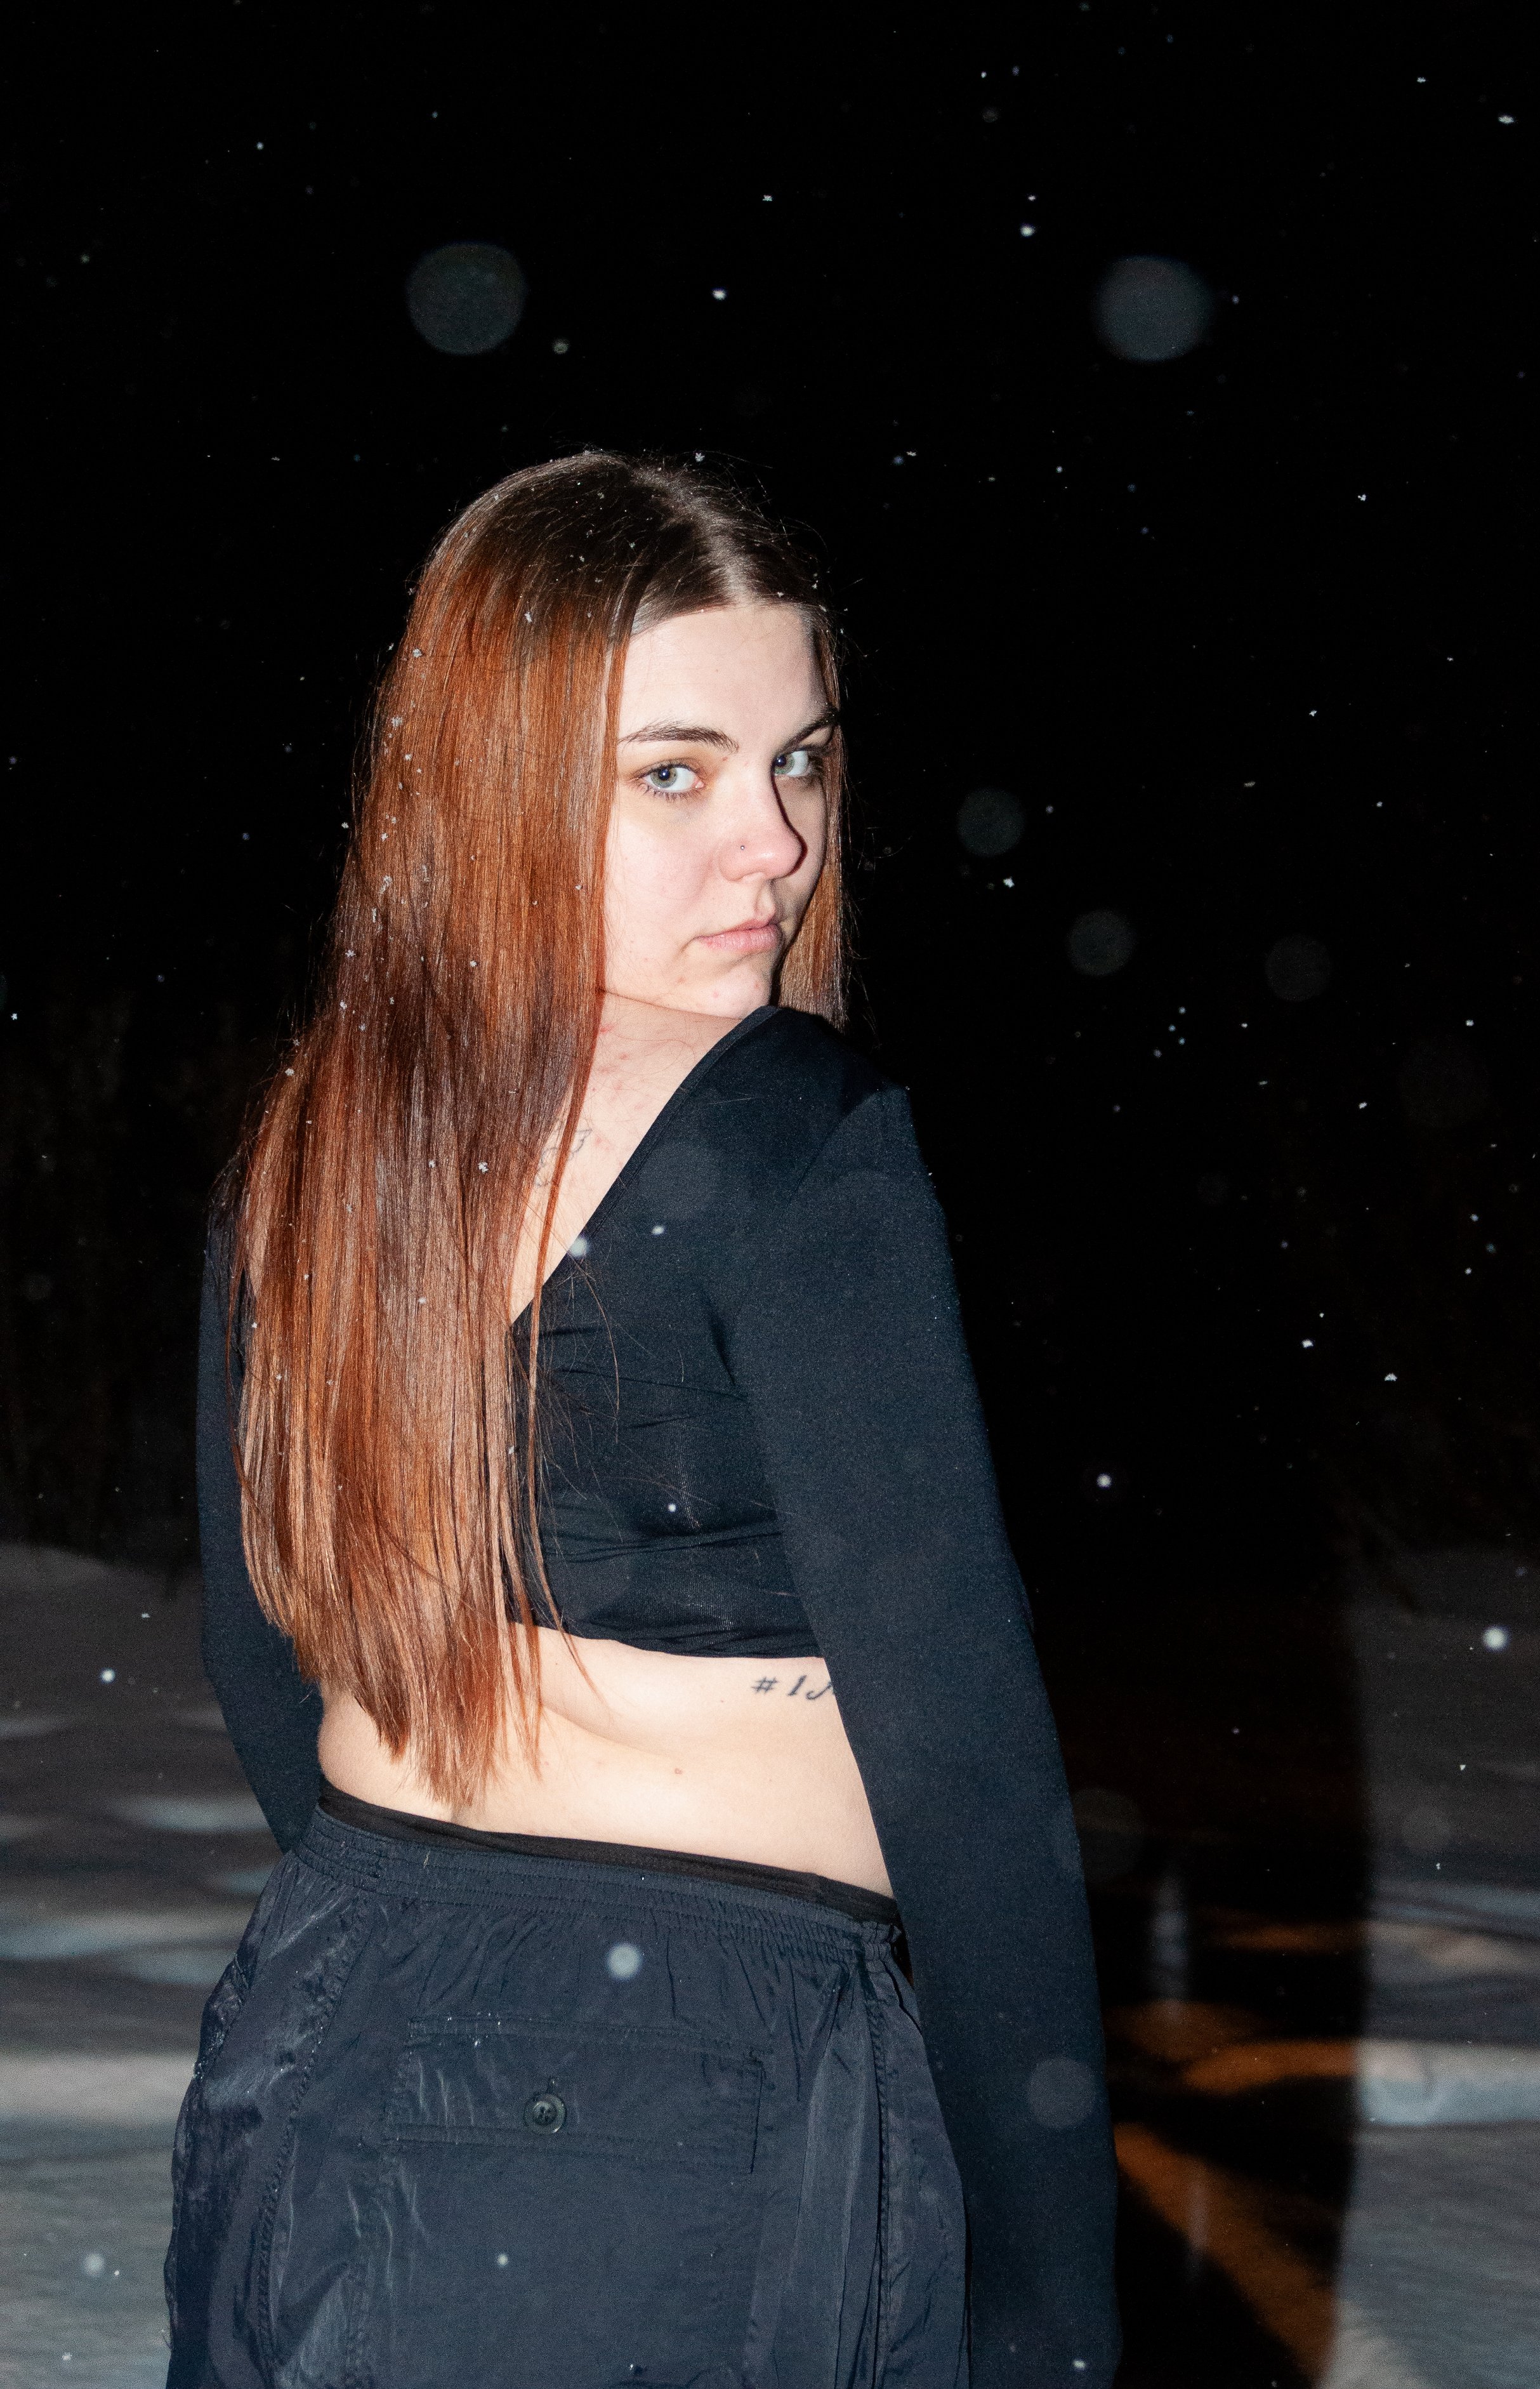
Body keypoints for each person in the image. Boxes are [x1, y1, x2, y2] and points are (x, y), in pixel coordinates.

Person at [171, 453, 1119, 2388]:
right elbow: (966, 1765)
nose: (771, 844)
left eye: (802, 760)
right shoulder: (790, 1134)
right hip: (691, 2084)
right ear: (494, 783)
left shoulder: (317, 1136)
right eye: (673, 771)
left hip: (325, 2030)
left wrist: (462, 1963)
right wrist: (1049, 2296)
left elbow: (267, 1654)